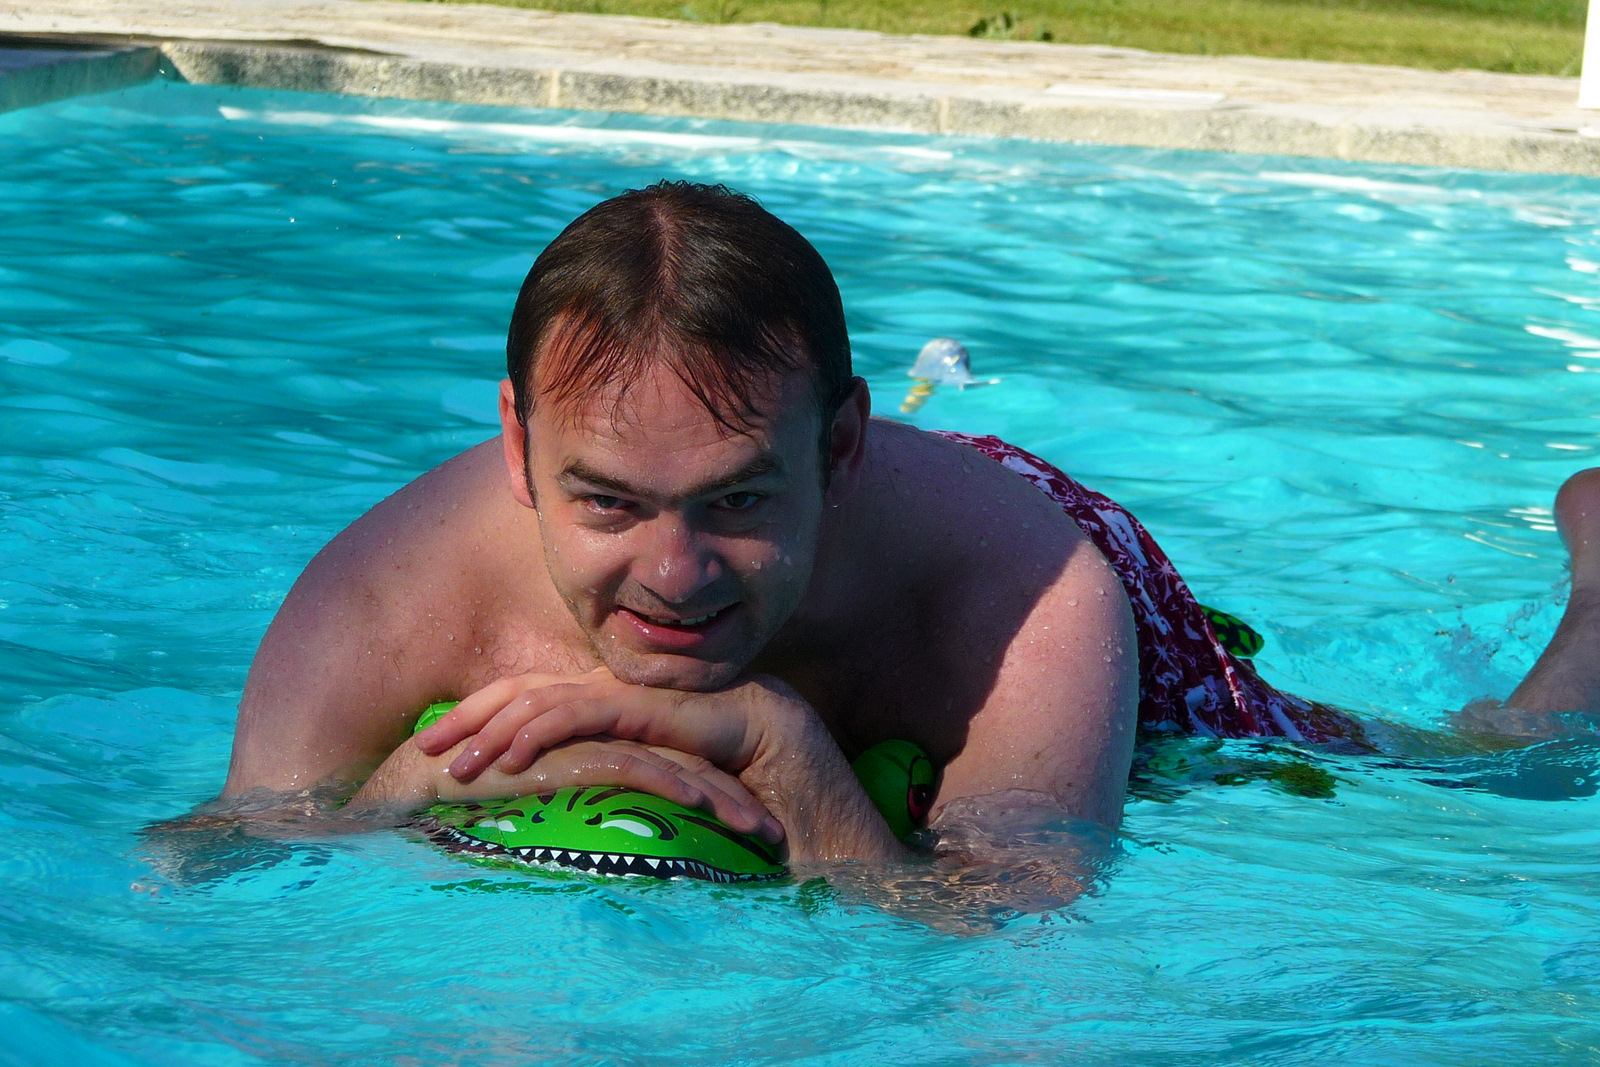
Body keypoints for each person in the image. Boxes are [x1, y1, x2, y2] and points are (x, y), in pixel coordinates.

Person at [221, 181, 1600, 863]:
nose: (674, 577)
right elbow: (202, 864)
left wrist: (786, 751)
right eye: (608, 503)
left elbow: (1014, 967)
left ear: (840, 450)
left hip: (1049, 547)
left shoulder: (1021, 599)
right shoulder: (385, 594)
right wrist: (405, 796)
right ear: (519, 448)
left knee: (1487, 775)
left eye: (738, 500)